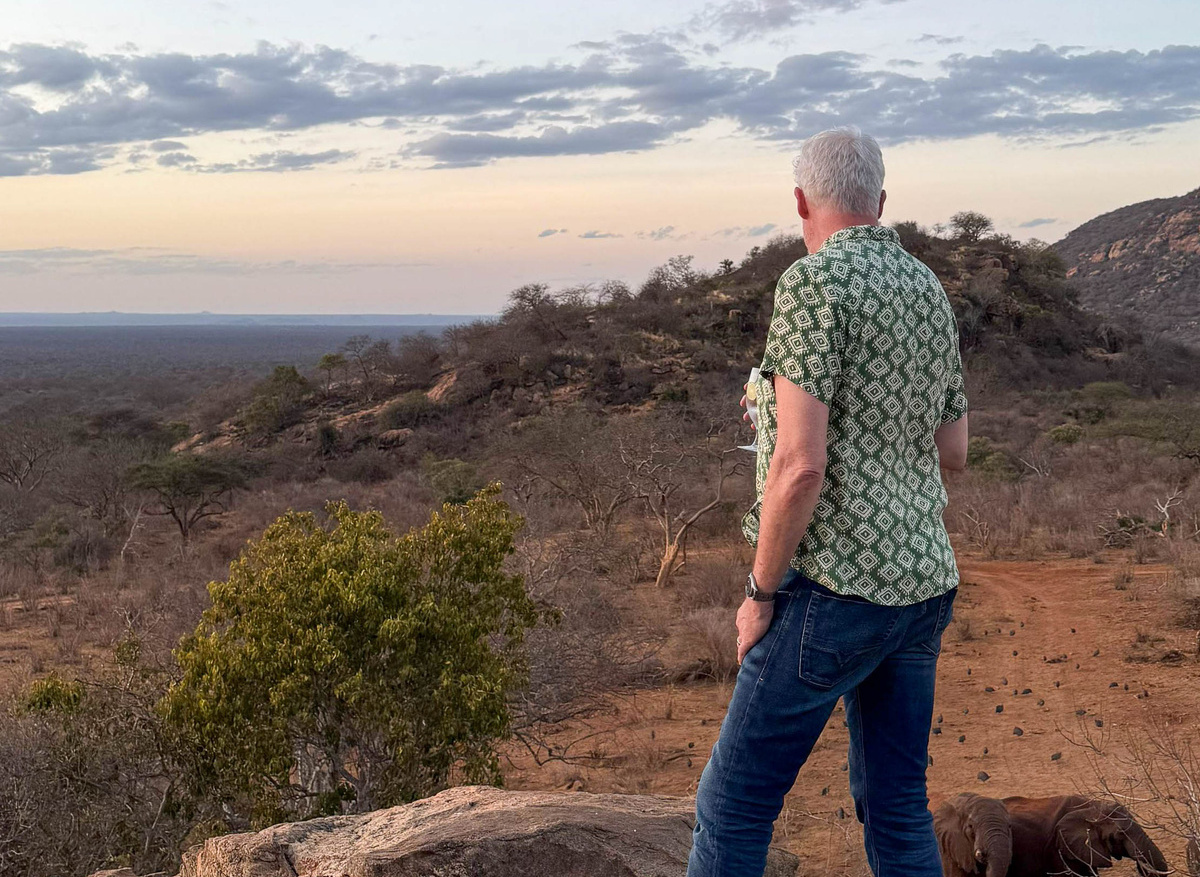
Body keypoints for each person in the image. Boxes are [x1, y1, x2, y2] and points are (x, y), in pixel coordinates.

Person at [687, 126, 970, 877]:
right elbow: (954, 451)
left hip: (832, 594)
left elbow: (799, 468)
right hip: (921, 587)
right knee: (899, 805)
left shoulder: (812, 284)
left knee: (732, 808)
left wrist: (758, 593)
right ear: (879, 202)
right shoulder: (927, 289)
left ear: (800, 201)